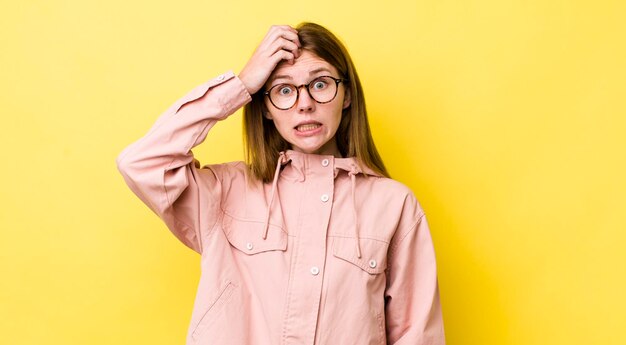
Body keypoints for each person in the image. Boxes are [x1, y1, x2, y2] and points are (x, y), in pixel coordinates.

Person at [117, 22, 445, 345]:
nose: (304, 104)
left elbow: (418, 336)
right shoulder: (224, 192)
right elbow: (142, 162)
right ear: (266, 109)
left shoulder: (393, 204)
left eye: (320, 84)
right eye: (284, 90)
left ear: (346, 96)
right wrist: (241, 85)